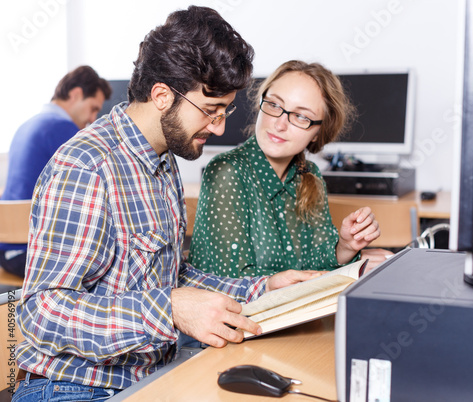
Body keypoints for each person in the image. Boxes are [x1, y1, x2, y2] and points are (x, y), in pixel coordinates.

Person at [14, 7, 323, 402]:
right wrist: (169, 309)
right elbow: (42, 313)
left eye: (224, 110)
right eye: (210, 111)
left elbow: (170, 280)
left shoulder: (162, 159)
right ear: (162, 96)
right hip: (72, 388)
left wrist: (264, 288)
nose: (219, 126)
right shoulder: (88, 166)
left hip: (146, 380)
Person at [189, 60, 392, 278]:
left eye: (301, 116)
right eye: (274, 105)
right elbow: (234, 280)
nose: (280, 124)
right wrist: (331, 274)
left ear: (317, 132)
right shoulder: (226, 172)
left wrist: (346, 248)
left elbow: (316, 258)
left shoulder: (310, 174)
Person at [0, 65, 111, 278]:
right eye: (93, 108)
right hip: (29, 253)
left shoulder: (26, 125)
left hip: (7, 247)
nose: (93, 119)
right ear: (76, 94)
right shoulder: (64, 130)